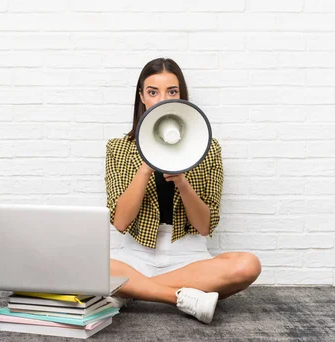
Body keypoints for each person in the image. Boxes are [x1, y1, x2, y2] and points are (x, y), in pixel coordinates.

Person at [105, 57, 262, 324]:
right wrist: (145, 167)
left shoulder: (209, 149)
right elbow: (120, 222)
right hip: (134, 256)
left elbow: (204, 226)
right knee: (86, 264)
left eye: (172, 91)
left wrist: (182, 182)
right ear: (142, 97)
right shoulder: (119, 148)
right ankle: (178, 297)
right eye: (153, 92)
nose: (162, 99)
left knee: (248, 264)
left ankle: (131, 289)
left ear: (182, 95)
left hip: (188, 260)